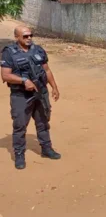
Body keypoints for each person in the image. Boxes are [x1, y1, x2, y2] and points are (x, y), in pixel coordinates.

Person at [1, 26, 61, 170]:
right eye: (25, 36)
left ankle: (46, 149)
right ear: (17, 37)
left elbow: (46, 69)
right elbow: (5, 75)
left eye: (30, 36)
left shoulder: (38, 49)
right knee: (20, 126)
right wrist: (23, 81)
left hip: (40, 92)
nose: (29, 39)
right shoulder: (9, 53)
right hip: (21, 95)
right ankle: (19, 154)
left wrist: (54, 87)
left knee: (43, 122)